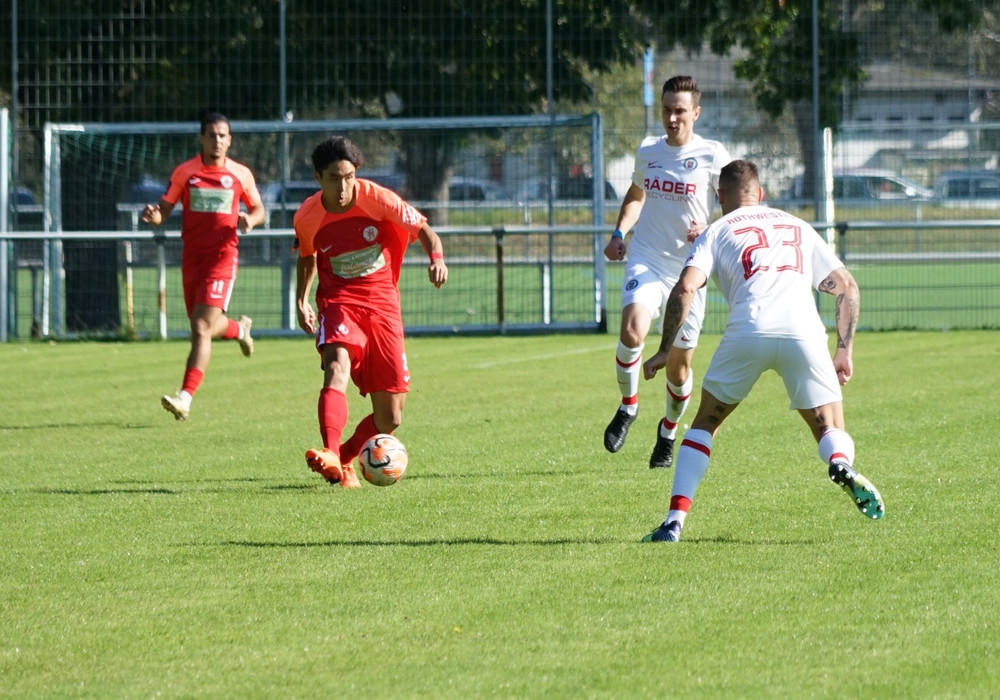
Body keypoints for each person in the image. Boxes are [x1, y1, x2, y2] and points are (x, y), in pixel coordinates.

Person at [641, 159, 884, 543]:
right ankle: (840, 463)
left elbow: (686, 288)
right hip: (803, 332)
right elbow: (847, 287)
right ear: (761, 194)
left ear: (719, 196)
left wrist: (663, 348)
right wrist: (844, 350)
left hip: (748, 330)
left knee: (705, 424)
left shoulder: (715, 230)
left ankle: (674, 522)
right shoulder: (797, 226)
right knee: (830, 428)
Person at [294, 136, 448, 488]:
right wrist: (302, 300)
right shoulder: (307, 216)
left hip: (382, 306)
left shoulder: (378, 199)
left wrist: (437, 259)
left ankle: (344, 458)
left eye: (349, 177)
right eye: (334, 178)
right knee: (336, 366)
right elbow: (307, 256)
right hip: (339, 301)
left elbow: (424, 230)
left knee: (390, 417)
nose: (343, 187)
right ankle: (330, 451)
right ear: (318, 178)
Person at [603, 75, 732, 468]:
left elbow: (738, 207)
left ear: (696, 113)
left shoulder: (713, 155)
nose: (672, 118)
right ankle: (628, 406)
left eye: (680, 111)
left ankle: (669, 431)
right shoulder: (648, 150)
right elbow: (636, 194)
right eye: (666, 110)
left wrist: (709, 229)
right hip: (647, 257)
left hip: (690, 272)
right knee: (632, 330)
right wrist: (618, 233)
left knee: (678, 372)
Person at [143, 112, 266, 421]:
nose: (217, 140)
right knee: (205, 326)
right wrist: (154, 216)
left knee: (200, 327)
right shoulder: (186, 172)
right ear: (201, 138)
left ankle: (184, 398)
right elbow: (164, 210)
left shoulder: (240, 174)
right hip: (192, 260)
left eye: (222, 135)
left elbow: (258, 209)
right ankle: (240, 329)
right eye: (211, 135)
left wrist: (250, 220)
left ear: (230, 140)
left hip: (223, 259)